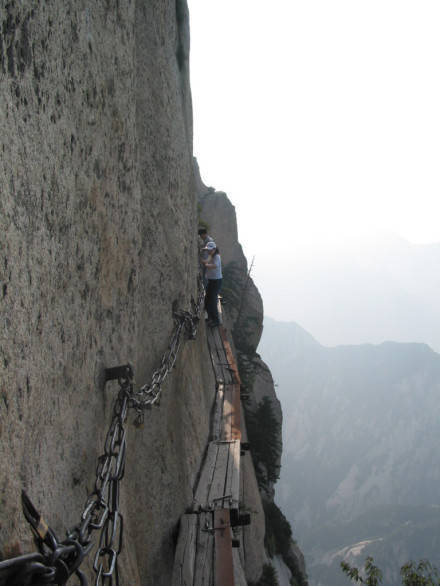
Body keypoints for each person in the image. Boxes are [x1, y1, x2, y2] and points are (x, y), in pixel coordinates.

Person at [202, 241, 222, 327]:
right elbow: (207, 260)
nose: (208, 251)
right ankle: (210, 317)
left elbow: (215, 265)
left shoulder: (217, 256)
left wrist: (206, 265)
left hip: (216, 281)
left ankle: (216, 321)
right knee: (207, 299)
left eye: (210, 250)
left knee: (213, 301)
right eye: (208, 250)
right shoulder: (212, 255)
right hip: (212, 281)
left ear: (214, 249)